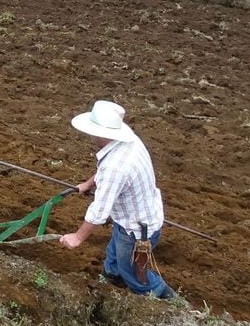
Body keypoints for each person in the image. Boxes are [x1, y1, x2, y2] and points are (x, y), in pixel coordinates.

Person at [59, 100, 176, 299]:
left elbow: (100, 211)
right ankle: (111, 276)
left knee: (133, 273)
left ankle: (165, 298)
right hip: (133, 217)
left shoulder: (115, 168)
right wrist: (89, 184)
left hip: (137, 230)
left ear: (101, 133)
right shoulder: (128, 142)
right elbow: (106, 171)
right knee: (115, 250)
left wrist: (77, 237)